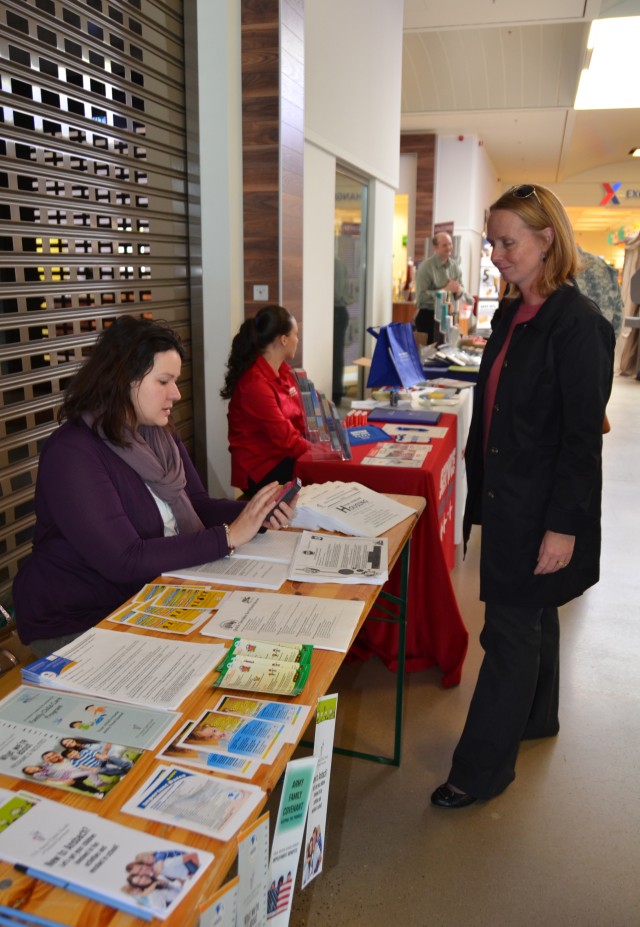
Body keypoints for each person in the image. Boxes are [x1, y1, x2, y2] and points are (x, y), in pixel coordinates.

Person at [431, 184, 615, 809]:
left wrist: (563, 528)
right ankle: (538, 718)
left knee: (507, 635)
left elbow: (580, 438)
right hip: (510, 497)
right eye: (493, 243)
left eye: (508, 243)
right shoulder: (514, 311)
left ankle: (478, 773)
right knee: (536, 614)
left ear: (546, 241)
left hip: (541, 508)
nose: (497, 255)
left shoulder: (580, 326)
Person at [13, 315, 293, 657]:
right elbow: (124, 559)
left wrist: (256, 512)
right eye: (164, 381)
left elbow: (198, 504)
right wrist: (228, 537)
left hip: (148, 593)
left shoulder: (158, 433)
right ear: (125, 379)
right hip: (81, 617)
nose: (175, 393)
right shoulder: (73, 452)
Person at [221, 305, 311, 495]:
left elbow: (301, 420)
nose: (298, 340)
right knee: (323, 477)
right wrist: (319, 454)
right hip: (262, 469)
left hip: (282, 456)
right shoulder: (255, 384)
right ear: (283, 339)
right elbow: (286, 439)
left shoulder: (285, 372)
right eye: (296, 334)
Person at [414, 232, 472, 343]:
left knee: (447, 355)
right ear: (435, 247)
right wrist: (445, 290)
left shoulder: (455, 266)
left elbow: (462, 291)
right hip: (428, 318)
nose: (449, 247)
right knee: (428, 357)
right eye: (444, 245)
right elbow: (421, 297)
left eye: (450, 244)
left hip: (449, 317)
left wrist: (458, 290)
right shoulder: (426, 267)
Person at [574, 244, 624, 338]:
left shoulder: (550, 264)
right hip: (600, 345)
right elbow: (617, 320)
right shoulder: (602, 265)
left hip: (566, 347)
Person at [333, 256, 351, 405]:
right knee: (336, 354)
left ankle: (335, 391)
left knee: (335, 354)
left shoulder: (334, 265)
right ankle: (336, 391)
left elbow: (336, 294)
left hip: (336, 311)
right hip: (339, 311)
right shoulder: (339, 263)